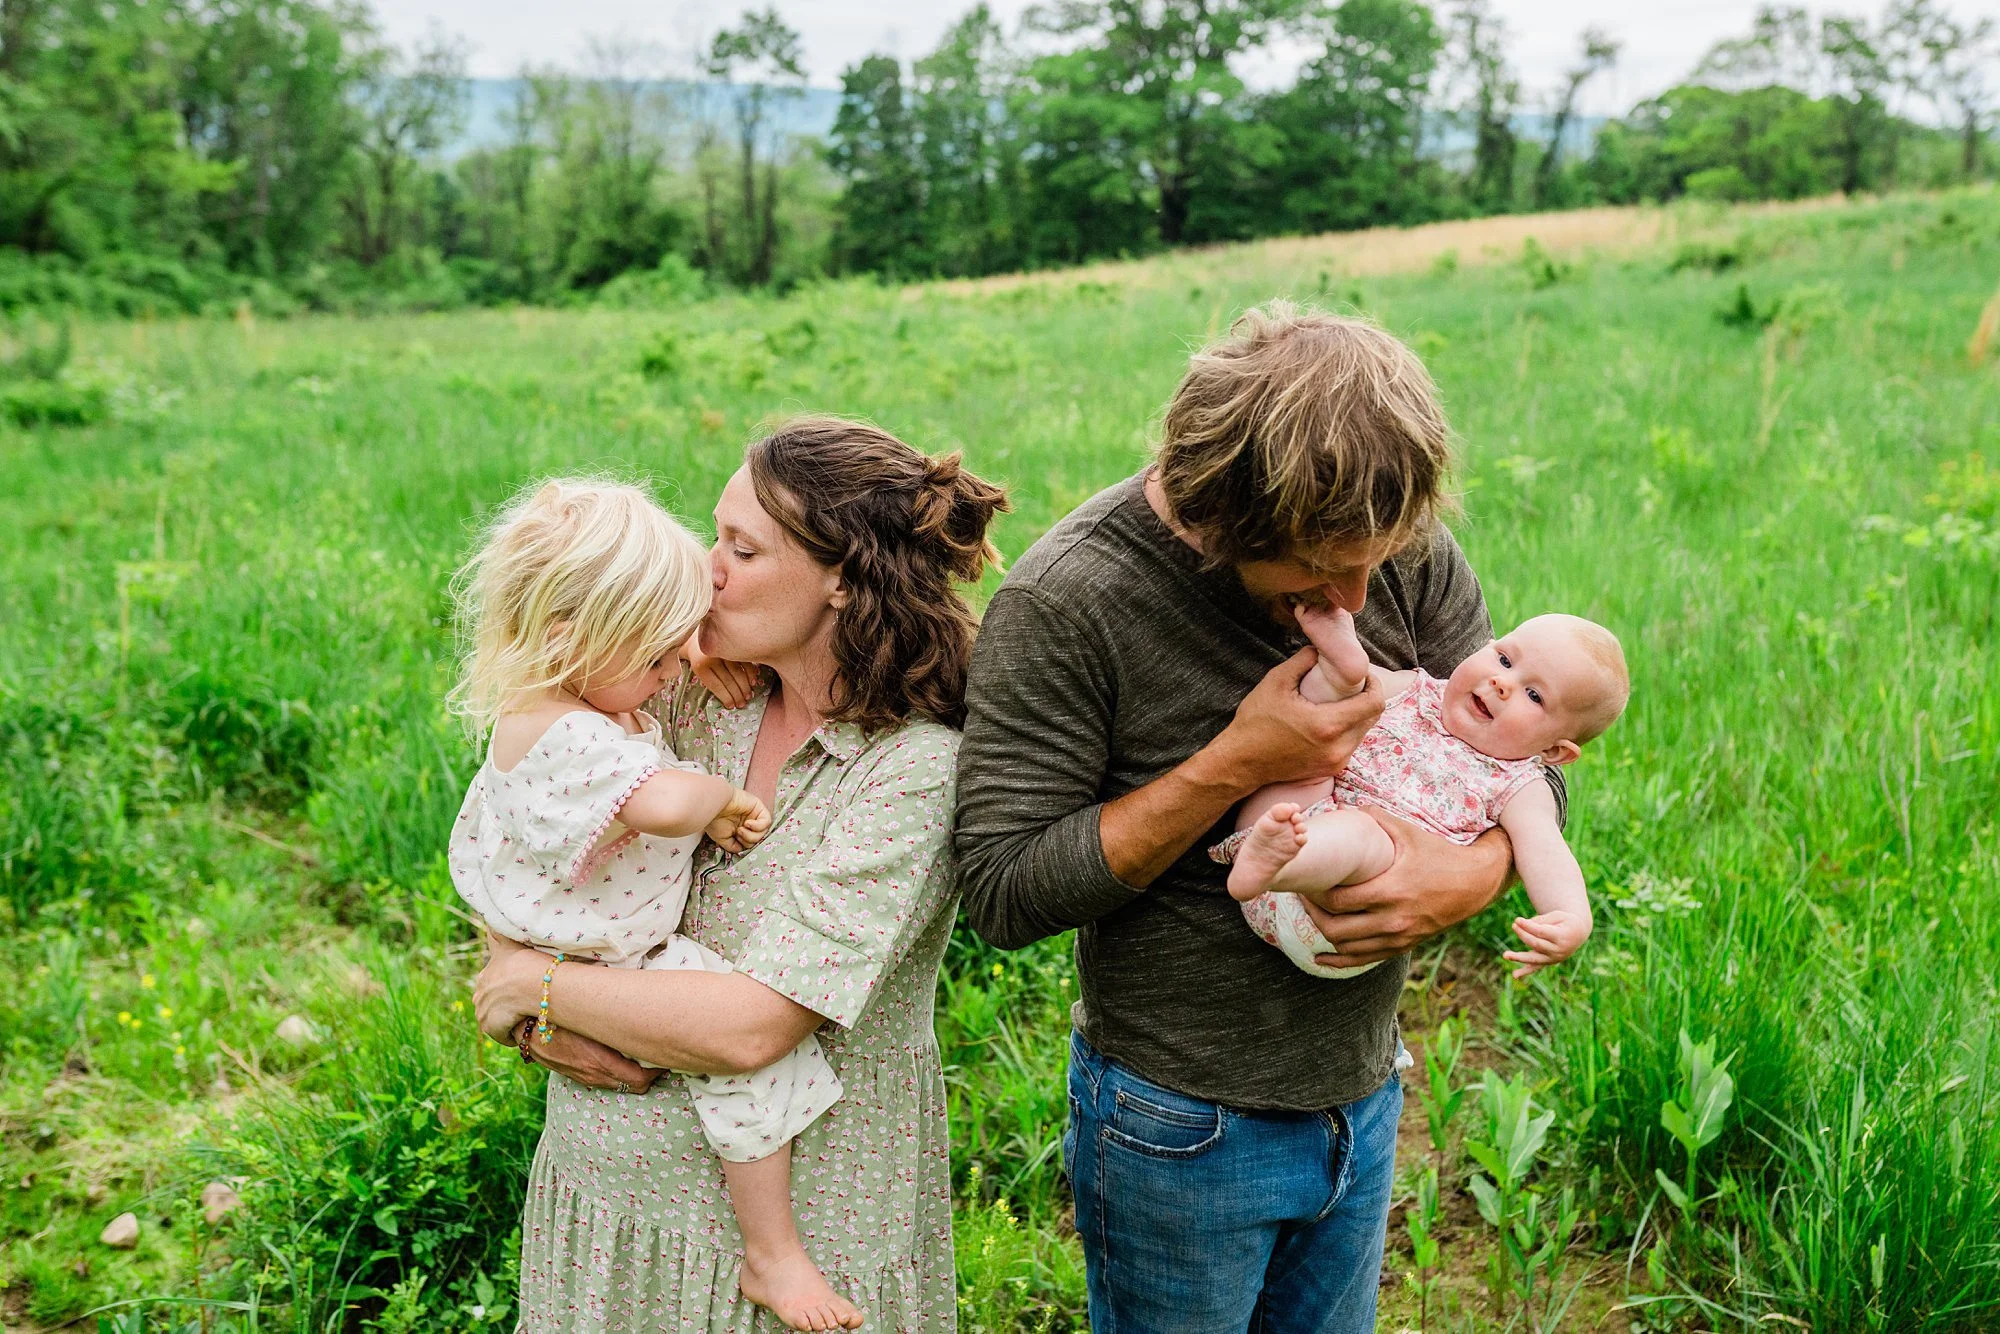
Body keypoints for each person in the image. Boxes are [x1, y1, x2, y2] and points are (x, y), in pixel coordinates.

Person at [953, 303, 1566, 1332]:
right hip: (1177, 1120)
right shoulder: (1067, 602)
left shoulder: (1393, 541)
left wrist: (1468, 875)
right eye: (1319, 572)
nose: (1364, 591)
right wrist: (1238, 762)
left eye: (1382, 555)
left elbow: (1525, 759)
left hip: (1363, 1085)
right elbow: (1004, 889)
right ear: (1215, 513)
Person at [473, 418, 1007, 1332]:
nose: (706, 568)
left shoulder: (907, 771)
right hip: (614, 1210)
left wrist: (534, 982)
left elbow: (754, 1029)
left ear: (841, 577)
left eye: (742, 548)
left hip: (815, 1238)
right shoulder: (677, 686)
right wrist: (523, 1005)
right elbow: (521, 825)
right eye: (712, 535)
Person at [445, 477, 857, 1331]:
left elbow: (633, 670)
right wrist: (720, 800)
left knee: (740, 1059)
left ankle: (768, 1253)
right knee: (749, 1071)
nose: (675, 672)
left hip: (584, 948)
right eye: (659, 656)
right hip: (610, 955)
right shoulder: (559, 731)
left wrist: (689, 654)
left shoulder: (593, 692)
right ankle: (772, 1253)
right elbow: (664, 806)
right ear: (572, 638)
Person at [1217, 604, 1628, 981]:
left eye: (1534, 695)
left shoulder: (1519, 784)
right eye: (1504, 659)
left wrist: (1571, 916)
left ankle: (1280, 864)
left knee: (1363, 835)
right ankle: (1340, 661)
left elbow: (1546, 851)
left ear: (1554, 751)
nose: (1502, 683)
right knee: (1317, 743)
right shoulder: (1414, 688)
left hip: (1345, 916)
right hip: (1287, 825)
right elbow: (1339, 705)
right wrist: (1348, 679)